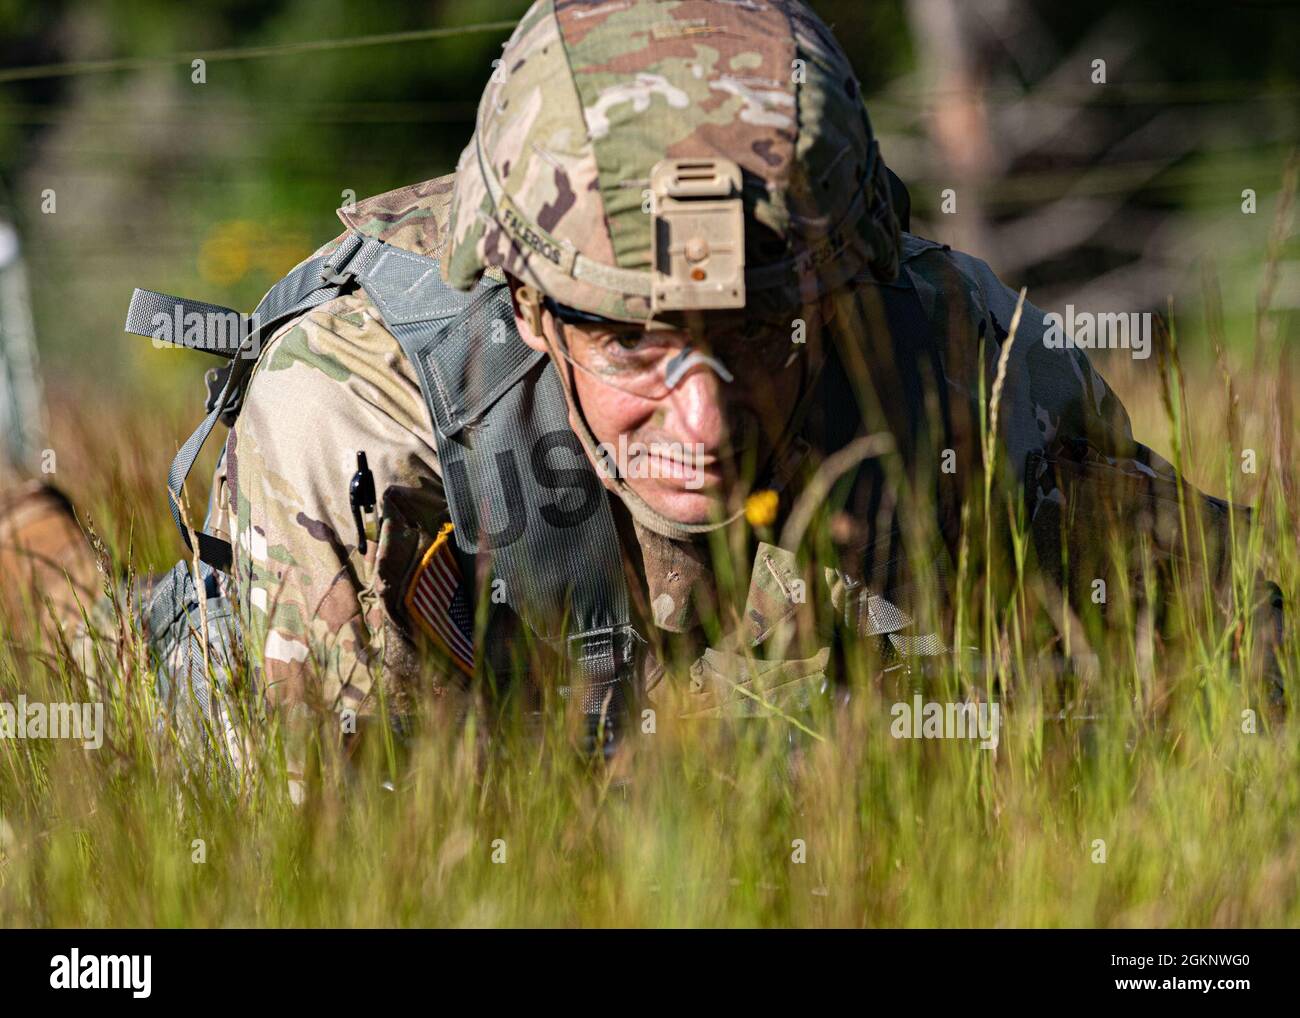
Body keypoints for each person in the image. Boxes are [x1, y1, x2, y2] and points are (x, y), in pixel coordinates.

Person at [32, 0, 1285, 766]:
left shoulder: (962, 357)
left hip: (707, 700)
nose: (703, 418)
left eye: (755, 332)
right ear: (526, 305)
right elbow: (340, 858)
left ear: (841, 288)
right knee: (108, 657)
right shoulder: (359, 421)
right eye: (632, 342)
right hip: (333, 693)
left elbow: (1240, 654)